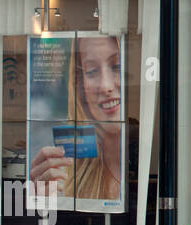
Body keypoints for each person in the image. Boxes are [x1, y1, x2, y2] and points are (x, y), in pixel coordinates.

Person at [29, 35, 124, 202]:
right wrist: (42, 202)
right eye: (92, 71)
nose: (106, 86)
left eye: (117, 66)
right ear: (80, 85)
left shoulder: (150, 158)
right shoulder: (67, 172)